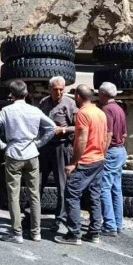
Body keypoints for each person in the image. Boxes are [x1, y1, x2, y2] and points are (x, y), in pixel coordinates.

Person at [0, 80, 56, 243]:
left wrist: (2, 145)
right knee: (34, 194)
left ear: (11, 94)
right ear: (25, 94)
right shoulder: (34, 110)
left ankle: (17, 233)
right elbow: (52, 128)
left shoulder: (6, 110)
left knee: (13, 194)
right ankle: (36, 232)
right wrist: (38, 143)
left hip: (13, 154)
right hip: (32, 154)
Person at [55, 84, 108, 245]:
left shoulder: (83, 113)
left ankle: (74, 234)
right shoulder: (100, 112)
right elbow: (106, 137)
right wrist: (102, 155)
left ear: (78, 96)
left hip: (85, 161)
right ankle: (94, 233)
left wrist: (73, 163)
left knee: (71, 195)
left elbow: (82, 139)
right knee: (94, 196)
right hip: (98, 160)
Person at [38, 75, 77, 233]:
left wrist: (64, 129)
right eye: (56, 89)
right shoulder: (43, 103)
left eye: (62, 89)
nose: (59, 92)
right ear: (49, 89)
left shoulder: (70, 104)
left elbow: (78, 127)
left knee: (62, 186)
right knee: (37, 182)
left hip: (61, 147)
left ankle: (60, 220)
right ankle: (32, 216)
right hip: (45, 147)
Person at [97, 82, 128, 236]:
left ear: (103, 94)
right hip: (121, 150)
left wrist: (102, 153)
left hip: (111, 151)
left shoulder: (107, 109)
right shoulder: (119, 109)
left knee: (104, 188)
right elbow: (124, 134)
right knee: (116, 189)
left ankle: (109, 225)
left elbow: (108, 133)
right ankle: (118, 223)